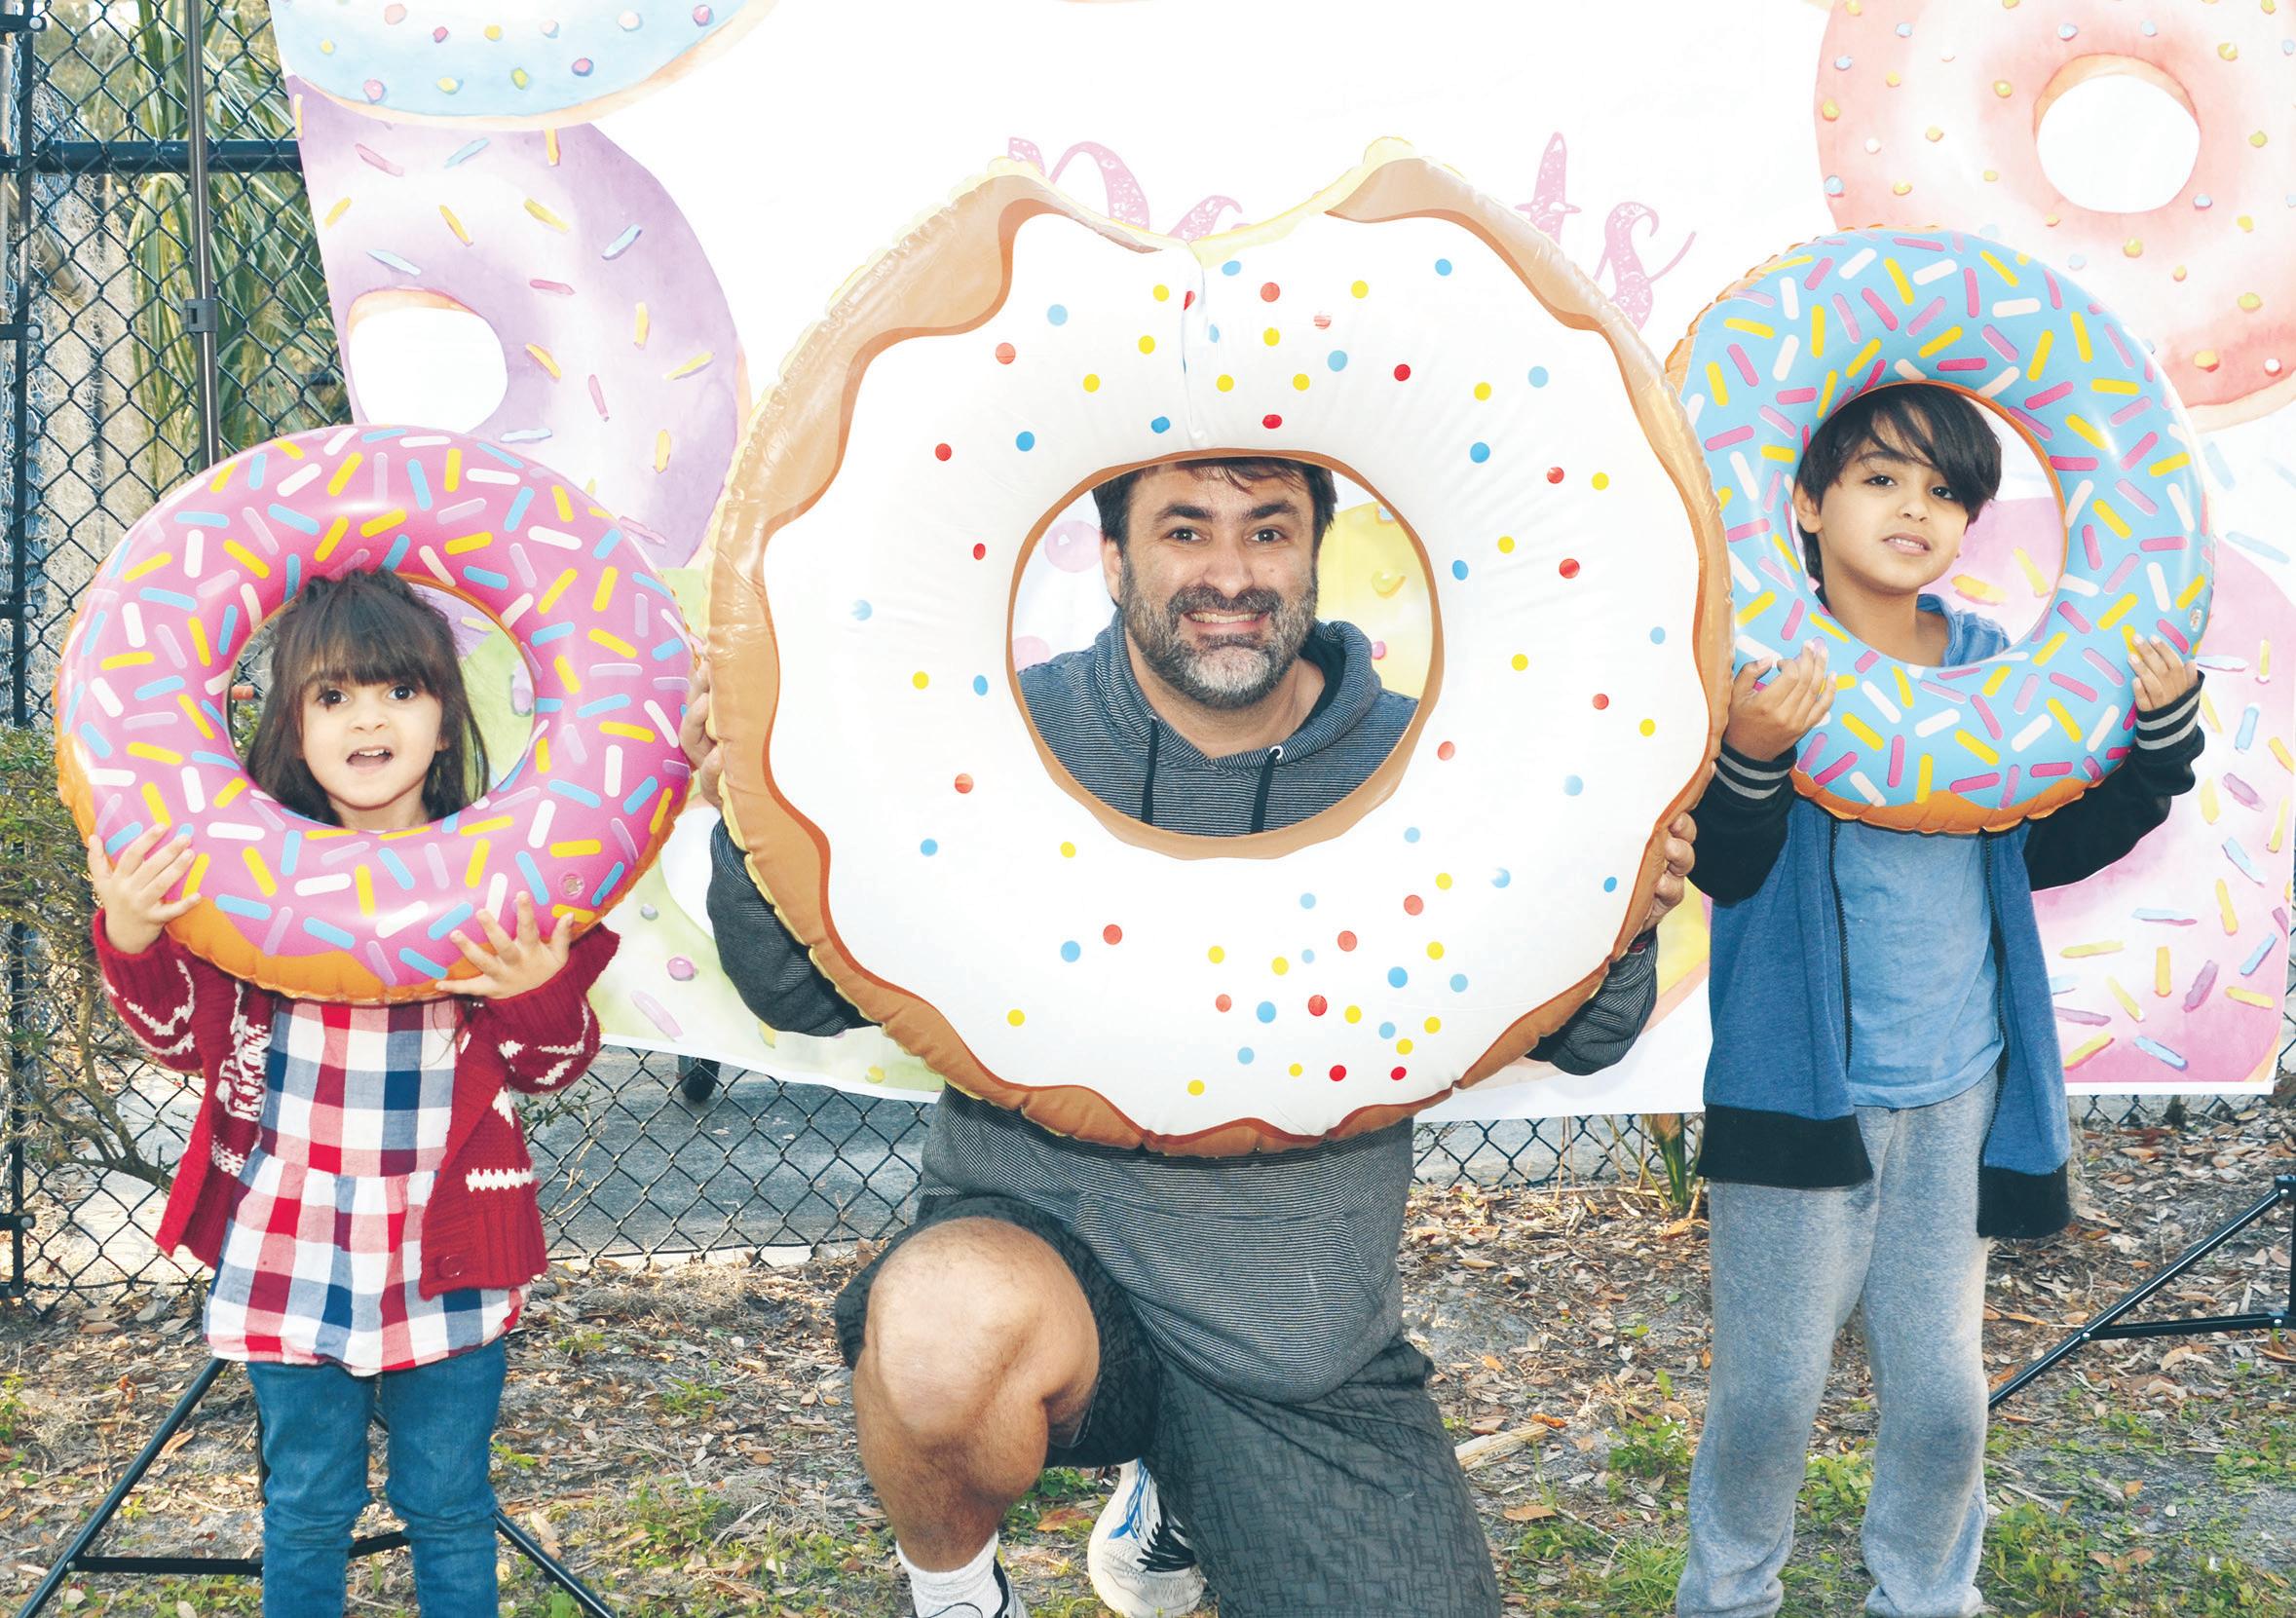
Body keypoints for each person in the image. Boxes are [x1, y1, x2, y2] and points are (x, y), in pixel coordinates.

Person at [687, 456, 1696, 1618]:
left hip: (1293, 1342)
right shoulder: (998, 733)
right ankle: (958, 1594)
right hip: (1041, 1262)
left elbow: (1591, 1035)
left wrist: (1623, 904)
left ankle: (1177, 1498)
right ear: (1115, 559)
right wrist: (758, 809)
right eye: (1185, 530)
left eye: (1267, 531)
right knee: (942, 1318)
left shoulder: (1424, 764)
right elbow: (796, 993)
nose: (1230, 573)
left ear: (1312, 554)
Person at [1675, 387, 2203, 1618]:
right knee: (1767, 1390)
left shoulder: (1992, 673)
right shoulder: (1759, 668)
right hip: (1798, 1098)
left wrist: (2154, 745)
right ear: (1804, 502)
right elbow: (1727, 868)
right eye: (1878, 477)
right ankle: (1728, 1592)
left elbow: (2049, 842)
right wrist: (1751, 753)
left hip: (1954, 1090)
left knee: (1939, 1392)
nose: (1913, 506)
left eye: (1944, 489)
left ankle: (1924, 1591)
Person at [88, 570, 619, 1618]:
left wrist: (533, 985)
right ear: (294, 724)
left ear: (444, 717)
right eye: (332, 695)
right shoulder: (245, 882)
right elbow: (181, 1043)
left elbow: (553, 1061)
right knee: (306, 1502)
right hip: (293, 1236)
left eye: (399, 690)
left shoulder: (498, 878)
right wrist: (135, 937)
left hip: (447, 1240)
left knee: (449, 1501)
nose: (368, 718)